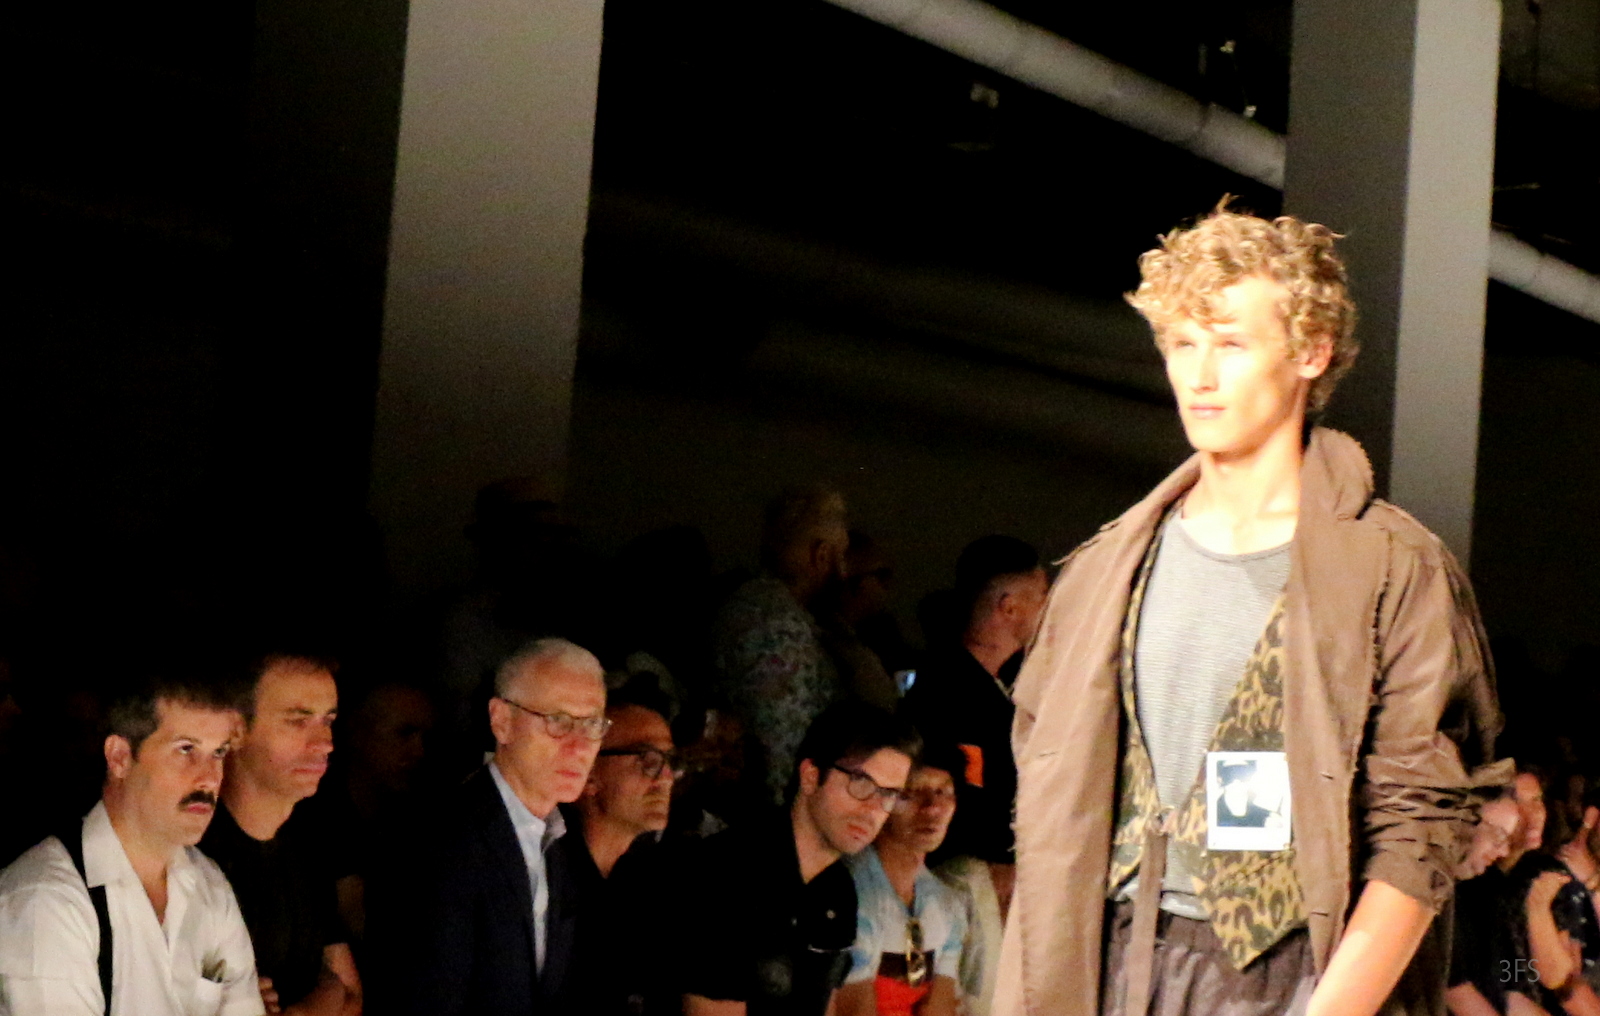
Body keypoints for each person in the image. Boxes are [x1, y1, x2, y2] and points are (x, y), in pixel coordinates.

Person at [997, 203, 1508, 1016]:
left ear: (1311, 351)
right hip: (1102, 959)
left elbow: (1420, 829)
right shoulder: (1104, 571)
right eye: (1181, 342)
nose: (1198, 376)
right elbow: (1046, 789)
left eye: (1231, 343)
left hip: (1294, 971)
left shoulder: (1392, 569)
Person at [0, 670, 264, 1016]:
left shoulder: (209, 885)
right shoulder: (47, 902)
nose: (209, 778)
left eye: (218, 753)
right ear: (120, 757)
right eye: (186, 749)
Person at [374, 638, 607, 1016]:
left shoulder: (562, 843)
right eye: (558, 722)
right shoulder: (438, 841)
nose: (579, 747)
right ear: (502, 721)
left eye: (592, 724)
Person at [676, 700, 920, 1016]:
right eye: (861, 783)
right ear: (810, 776)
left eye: (889, 794)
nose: (874, 809)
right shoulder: (728, 870)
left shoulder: (838, 889)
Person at [199, 654, 360, 1016]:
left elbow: (351, 994)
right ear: (235, 728)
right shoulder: (194, 853)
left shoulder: (310, 841)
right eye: (298, 721)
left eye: (328, 721)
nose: (324, 743)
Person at [903, 535, 1047, 918]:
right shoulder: (947, 692)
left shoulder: (1000, 685)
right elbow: (962, 803)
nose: (1048, 610)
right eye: (1041, 597)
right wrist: (999, 857)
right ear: (1009, 607)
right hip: (965, 888)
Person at [712, 486, 850, 802]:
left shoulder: (759, 608)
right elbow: (781, 746)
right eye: (841, 557)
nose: (844, 572)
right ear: (821, 555)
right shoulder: (777, 627)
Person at [569, 686, 686, 1015]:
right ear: (590, 774)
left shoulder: (656, 881)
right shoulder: (544, 878)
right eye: (647, 760)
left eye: (671, 762)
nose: (666, 778)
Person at [837, 743, 968, 1016]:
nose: (932, 808)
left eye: (943, 792)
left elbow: (942, 1005)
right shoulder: (848, 891)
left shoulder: (947, 903)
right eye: (910, 793)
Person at [1446, 788, 1537, 1016]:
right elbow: (1456, 991)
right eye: (1499, 837)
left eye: (1538, 801)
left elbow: (1510, 987)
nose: (1503, 850)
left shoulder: (1489, 887)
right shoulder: (1441, 895)